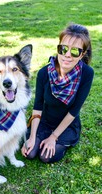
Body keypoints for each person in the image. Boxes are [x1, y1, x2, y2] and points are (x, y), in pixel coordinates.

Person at [21, 23, 94, 163]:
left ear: (82, 54)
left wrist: (53, 137)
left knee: (46, 156)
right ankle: (38, 136)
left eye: (74, 51)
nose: (67, 55)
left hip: (67, 124)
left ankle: (59, 140)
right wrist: (31, 137)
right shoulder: (44, 73)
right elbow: (38, 106)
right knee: (30, 153)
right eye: (63, 49)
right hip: (45, 120)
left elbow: (74, 111)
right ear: (58, 48)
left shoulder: (87, 73)